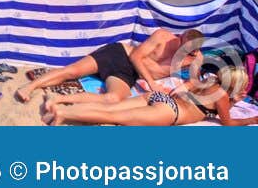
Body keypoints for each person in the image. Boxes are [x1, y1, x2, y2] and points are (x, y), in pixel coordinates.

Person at [14, 28, 202, 104]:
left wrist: (185, 86)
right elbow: (136, 56)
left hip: (128, 74)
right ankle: (29, 87)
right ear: (180, 38)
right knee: (72, 71)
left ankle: (58, 99)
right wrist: (152, 83)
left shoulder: (195, 59)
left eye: (192, 52)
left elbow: (195, 82)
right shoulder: (162, 37)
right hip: (120, 55)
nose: (187, 53)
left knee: (114, 98)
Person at [44, 67, 255, 127]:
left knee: (113, 108)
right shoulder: (222, 97)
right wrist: (252, 120)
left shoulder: (209, 82)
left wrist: (234, 99)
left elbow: (193, 90)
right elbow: (228, 122)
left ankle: (58, 102)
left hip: (158, 98)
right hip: (169, 112)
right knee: (112, 117)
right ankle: (62, 113)